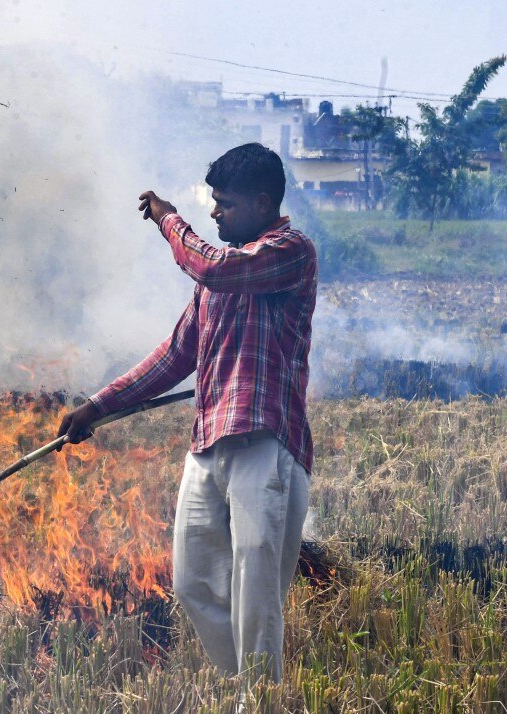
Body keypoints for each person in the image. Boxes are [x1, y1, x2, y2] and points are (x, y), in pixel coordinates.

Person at [58, 142, 317, 683]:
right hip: (208, 444)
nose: (215, 212)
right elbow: (174, 356)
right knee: (192, 582)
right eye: (212, 202)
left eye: (225, 203)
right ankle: (247, 686)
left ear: (263, 203)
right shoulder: (214, 282)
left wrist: (168, 220)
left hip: (265, 444)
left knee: (255, 588)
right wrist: (97, 407)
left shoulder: (289, 251)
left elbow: (214, 266)